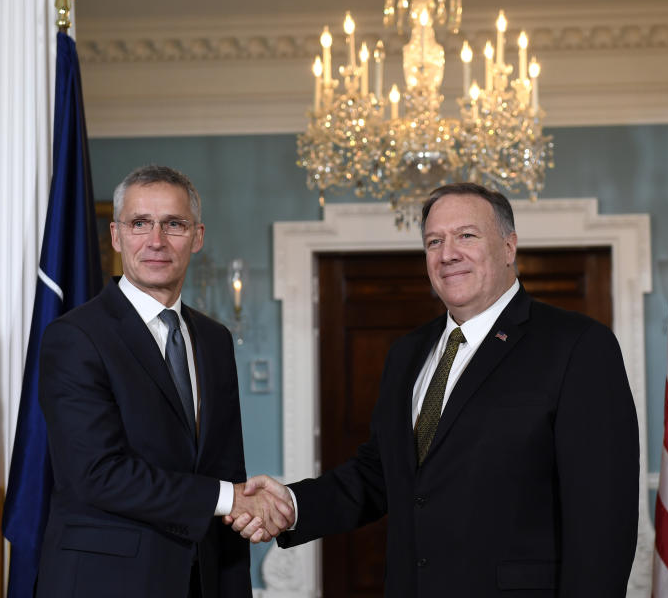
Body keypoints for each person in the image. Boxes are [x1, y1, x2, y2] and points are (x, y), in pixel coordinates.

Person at [231, 182, 639, 596]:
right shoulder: (407, 352)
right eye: (434, 241)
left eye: (466, 235)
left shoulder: (577, 346)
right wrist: (292, 505)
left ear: (509, 246)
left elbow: (603, 520)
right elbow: (379, 475)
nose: (448, 254)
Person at [35, 165, 292, 598]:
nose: (156, 241)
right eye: (140, 224)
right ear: (116, 236)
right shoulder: (76, 337)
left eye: (173, 224)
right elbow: (97, 474)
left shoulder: (214, 340)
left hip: (205, 577)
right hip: (107, 583)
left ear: (198, 236)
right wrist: (232, 499)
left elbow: (225, 466)